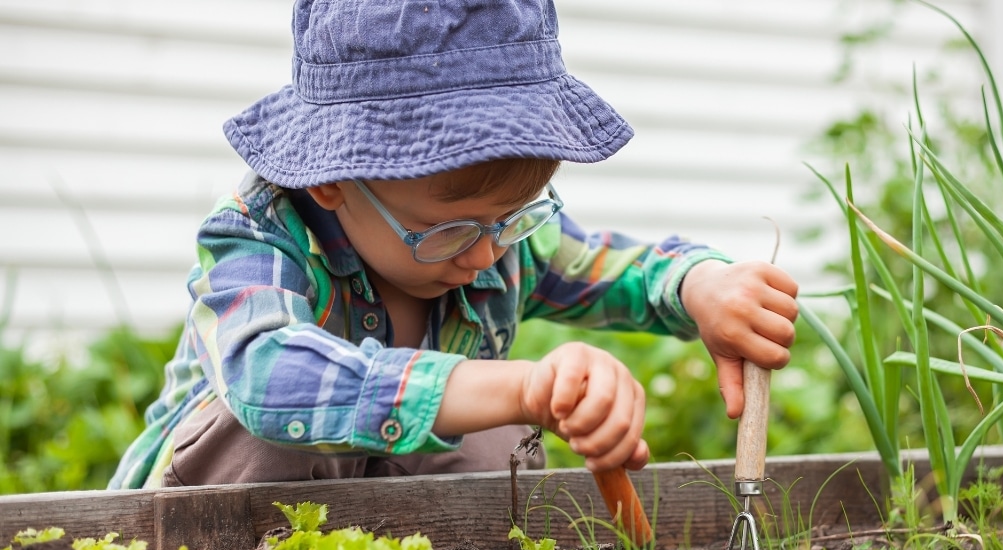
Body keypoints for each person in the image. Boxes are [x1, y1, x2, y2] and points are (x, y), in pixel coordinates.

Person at [109, 0, 799, 490]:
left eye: (513, 218)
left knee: (491, 435)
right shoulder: (259, 236)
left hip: (393, 548)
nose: (486, 254)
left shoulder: (495, 239)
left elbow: (613, 269)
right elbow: (267, 374)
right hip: (198, 542)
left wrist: (698, 284)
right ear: (332, 182)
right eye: (452, 230)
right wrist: (520, 384)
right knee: (262, 428)